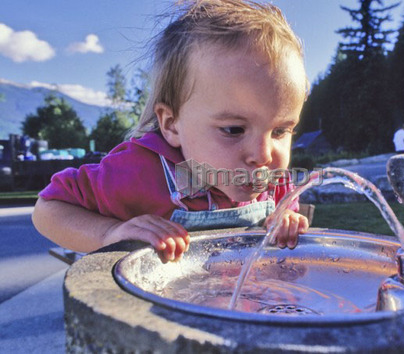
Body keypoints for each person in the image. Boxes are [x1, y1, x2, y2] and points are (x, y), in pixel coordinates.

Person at [32, 0, 310, 262]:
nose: (263, 155)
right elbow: (48, 209)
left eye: (280, 131)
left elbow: (287, 210)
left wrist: (286, 218)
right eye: (233, 129)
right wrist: (109, 234)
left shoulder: (274, 182)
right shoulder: (136, 172)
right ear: (171, 124)